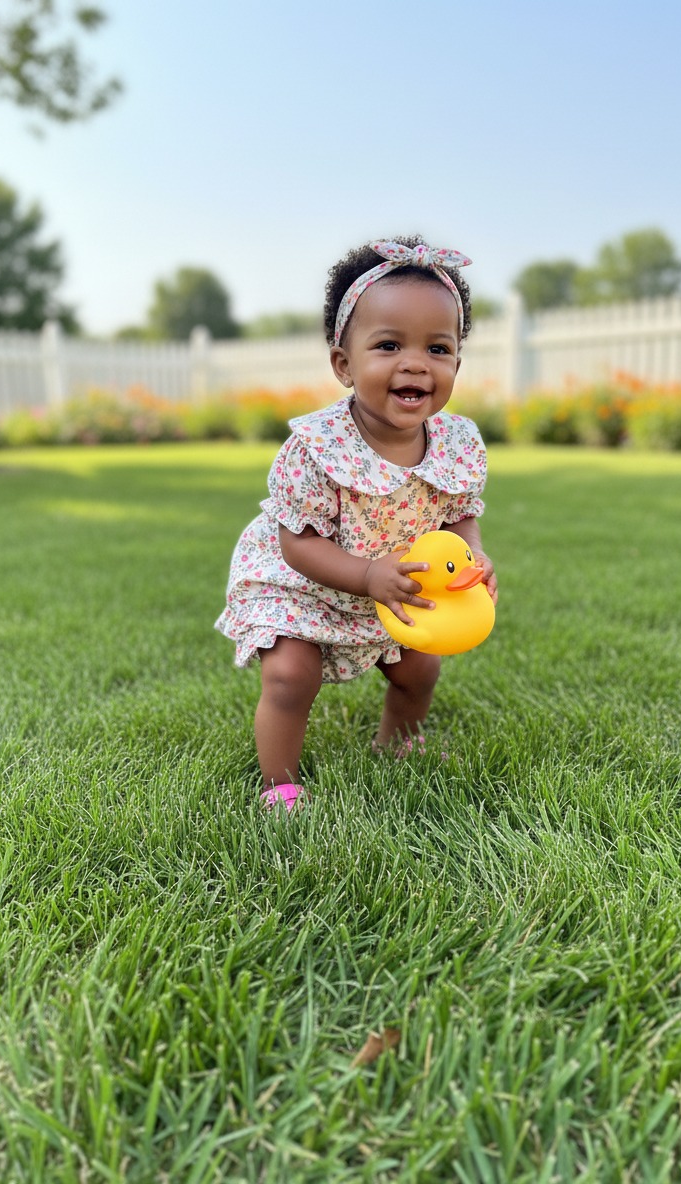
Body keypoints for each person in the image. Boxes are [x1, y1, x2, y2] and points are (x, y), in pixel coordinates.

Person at [215, 235, 497, 810]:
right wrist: (367, 576)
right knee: (292, 676)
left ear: (456, 364)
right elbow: (297, 544)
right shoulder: (319, 447)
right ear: (344, 364)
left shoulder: (457, 443)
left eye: (438, 348)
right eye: (389, 345)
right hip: (303, 582)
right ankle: (280, 786)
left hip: (396, 582)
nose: (415, 363)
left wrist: (470, 559)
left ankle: (398, 741)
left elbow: (460, 515)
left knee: (420, 668)